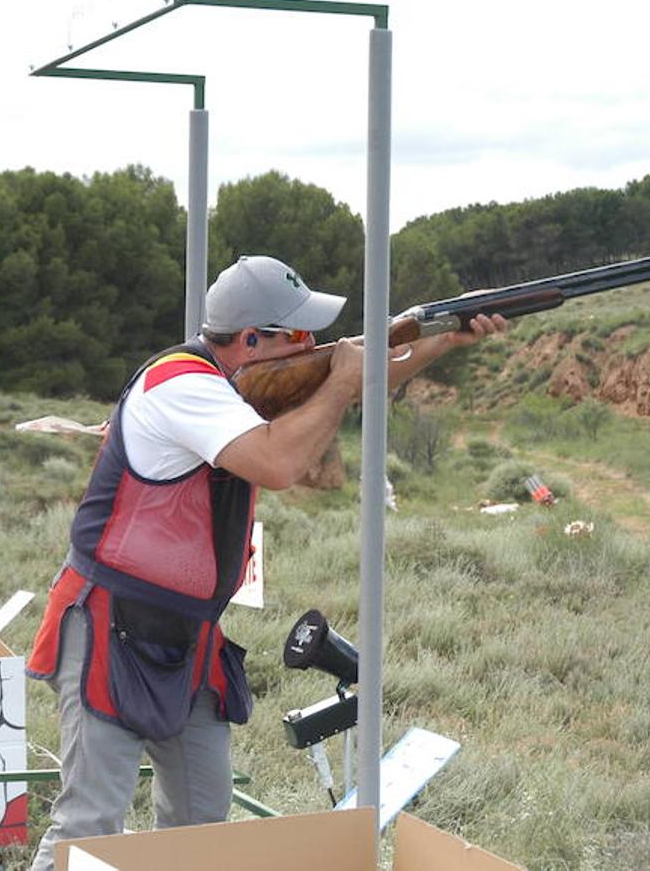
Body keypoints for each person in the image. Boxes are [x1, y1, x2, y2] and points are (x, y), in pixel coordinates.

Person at [25, 255, 507, 869]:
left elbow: (359, 375)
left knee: (202, 818)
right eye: (297, 334)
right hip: (112, 625)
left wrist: (445, 338)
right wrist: (337, 379)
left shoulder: (235, 385)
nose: (312, 345)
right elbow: (280, 463)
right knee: (88, 826)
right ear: (252, 339)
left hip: (188, 634)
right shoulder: (184, 384)